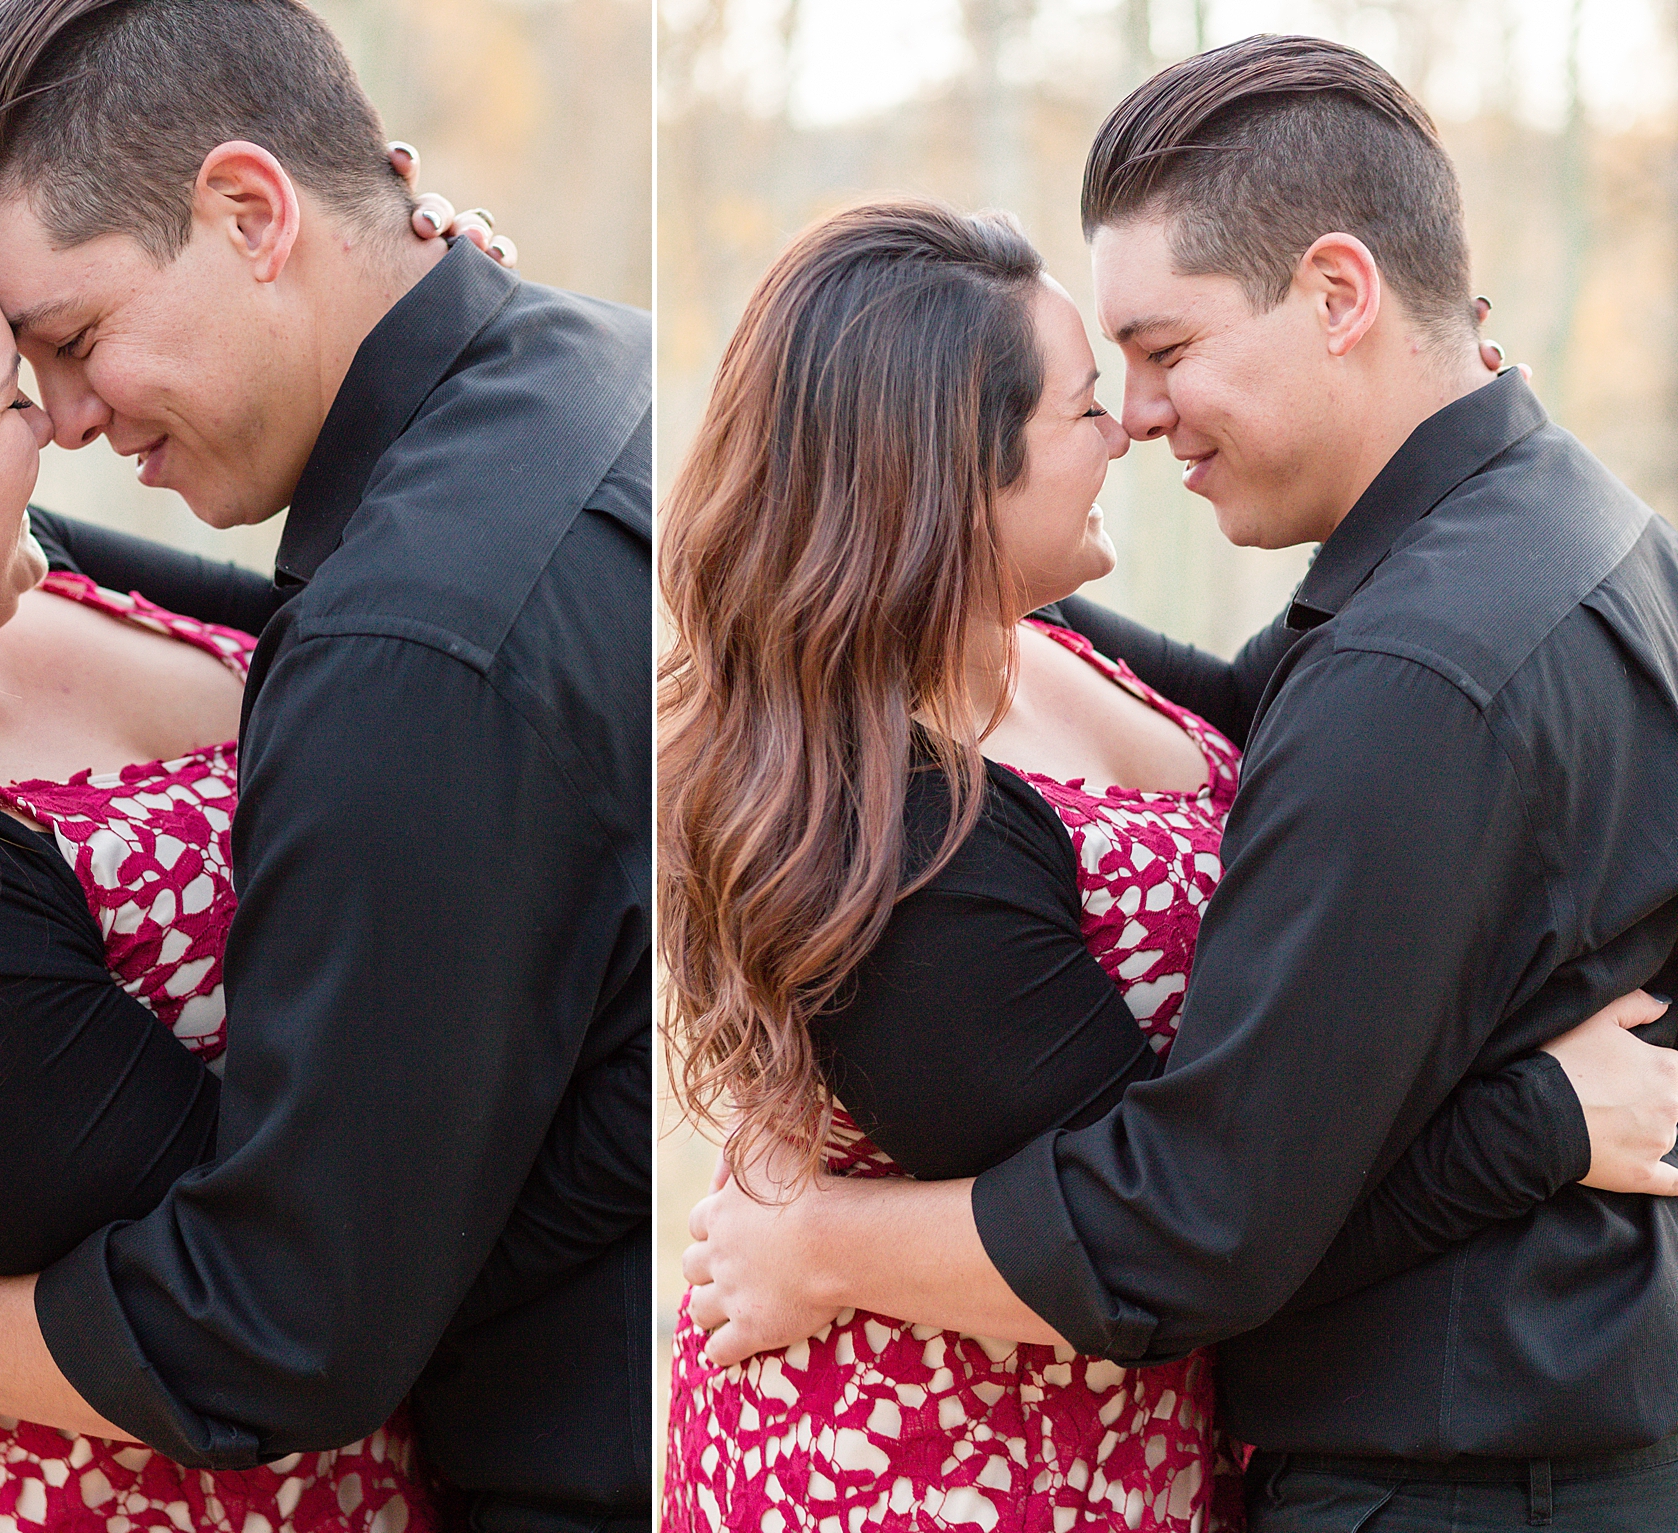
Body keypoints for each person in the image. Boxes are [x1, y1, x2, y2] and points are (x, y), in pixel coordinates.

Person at [682, 35, 1678, 1532]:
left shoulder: (1408, 665)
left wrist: (830, 1241)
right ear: (944, 485)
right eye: (1100, 391)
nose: (1139, 421)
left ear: (1340, 294)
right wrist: (1540, 1115)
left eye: (1155, 357)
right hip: (950, 1464)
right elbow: (1188, 1222)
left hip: (1453, 1459)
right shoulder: (1565, 523)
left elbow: (1191, 1227)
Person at [0, 3, 653, 1531]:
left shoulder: (403, 652)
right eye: (12, 374)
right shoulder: (593, 364)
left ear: (253, 213)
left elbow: (290, 1308)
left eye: (69, 341)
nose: (60, 416)